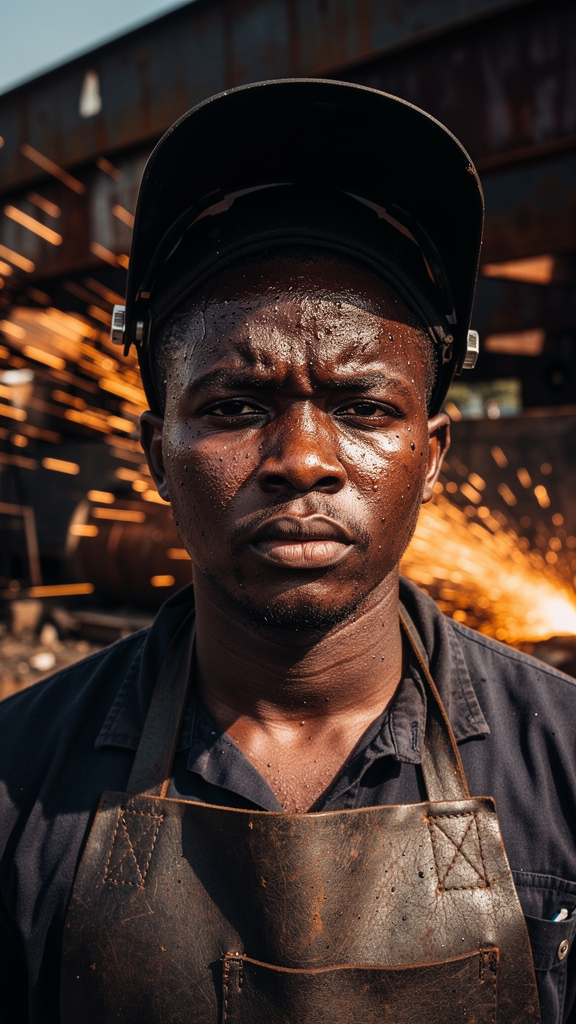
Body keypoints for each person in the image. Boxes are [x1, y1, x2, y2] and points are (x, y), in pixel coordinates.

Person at [0, 79, 574, 1024]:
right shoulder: (19, 782)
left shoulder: (562, 764)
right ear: (155, 459)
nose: (302, 460)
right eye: (233, 407)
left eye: (362, 408)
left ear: (430, 458)